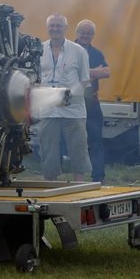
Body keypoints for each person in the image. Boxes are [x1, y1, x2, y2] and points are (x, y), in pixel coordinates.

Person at [38, 14, 91, 181]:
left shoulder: (79, 51)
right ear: (47, 28)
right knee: (48, 149)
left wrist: (65, 97)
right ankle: (50, 183)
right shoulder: (39, 50)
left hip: (73, 110)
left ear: (65, 28)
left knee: (78, 148)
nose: (55, 29)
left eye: (58, 26)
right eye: (52, 25)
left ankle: (79, 184)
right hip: (48, 110)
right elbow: (35, 79)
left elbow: (84, 80)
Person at [75, 19, 110, 183]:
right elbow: (65, 72)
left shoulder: (96, 53)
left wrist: (81, 72)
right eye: (82, 32)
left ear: (93, 36)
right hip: (72, 103)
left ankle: (98, 177)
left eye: (89, 33)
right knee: (71, 140)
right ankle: (72, 177)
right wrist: (94, 71)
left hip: (92, 104)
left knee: (96, 140)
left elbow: (106, 72)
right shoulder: (67, 50)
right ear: (77, 33)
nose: (85, 35)